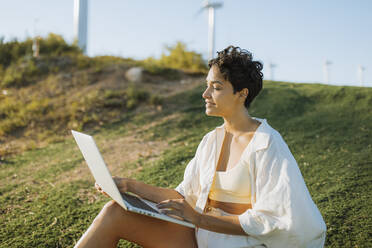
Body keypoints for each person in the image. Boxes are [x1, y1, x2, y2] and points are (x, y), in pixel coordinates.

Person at [74, 46, 327, 248]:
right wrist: (129, 187)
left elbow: (273, 219)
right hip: (200, 237)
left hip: (240, 244)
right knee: (114, 212)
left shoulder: (267, 145)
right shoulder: (212, 140)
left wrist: (198, 219)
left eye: (216, 88)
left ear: (242, 94)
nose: (205, 94)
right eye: (207, 85)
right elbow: (187, 197)